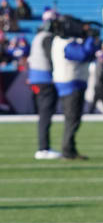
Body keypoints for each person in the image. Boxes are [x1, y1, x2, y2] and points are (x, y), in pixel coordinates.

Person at [53, 18, 99, 160]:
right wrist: (90, 38)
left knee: (73, 119)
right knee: (72, 119)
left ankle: (69, 148)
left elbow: (89, 54)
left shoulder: (63, 42)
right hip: (70, 84)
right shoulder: (65, 43)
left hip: (72, 83)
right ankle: (67, 150)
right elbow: (84, 54)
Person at [29, 17, 60, 159]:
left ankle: (43, 147)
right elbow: (51, 57)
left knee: (43, 114)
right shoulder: (47, 38)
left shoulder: (37, 37)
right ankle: (43, 148)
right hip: (45, 79)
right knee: (46, 115)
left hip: (36, 78)